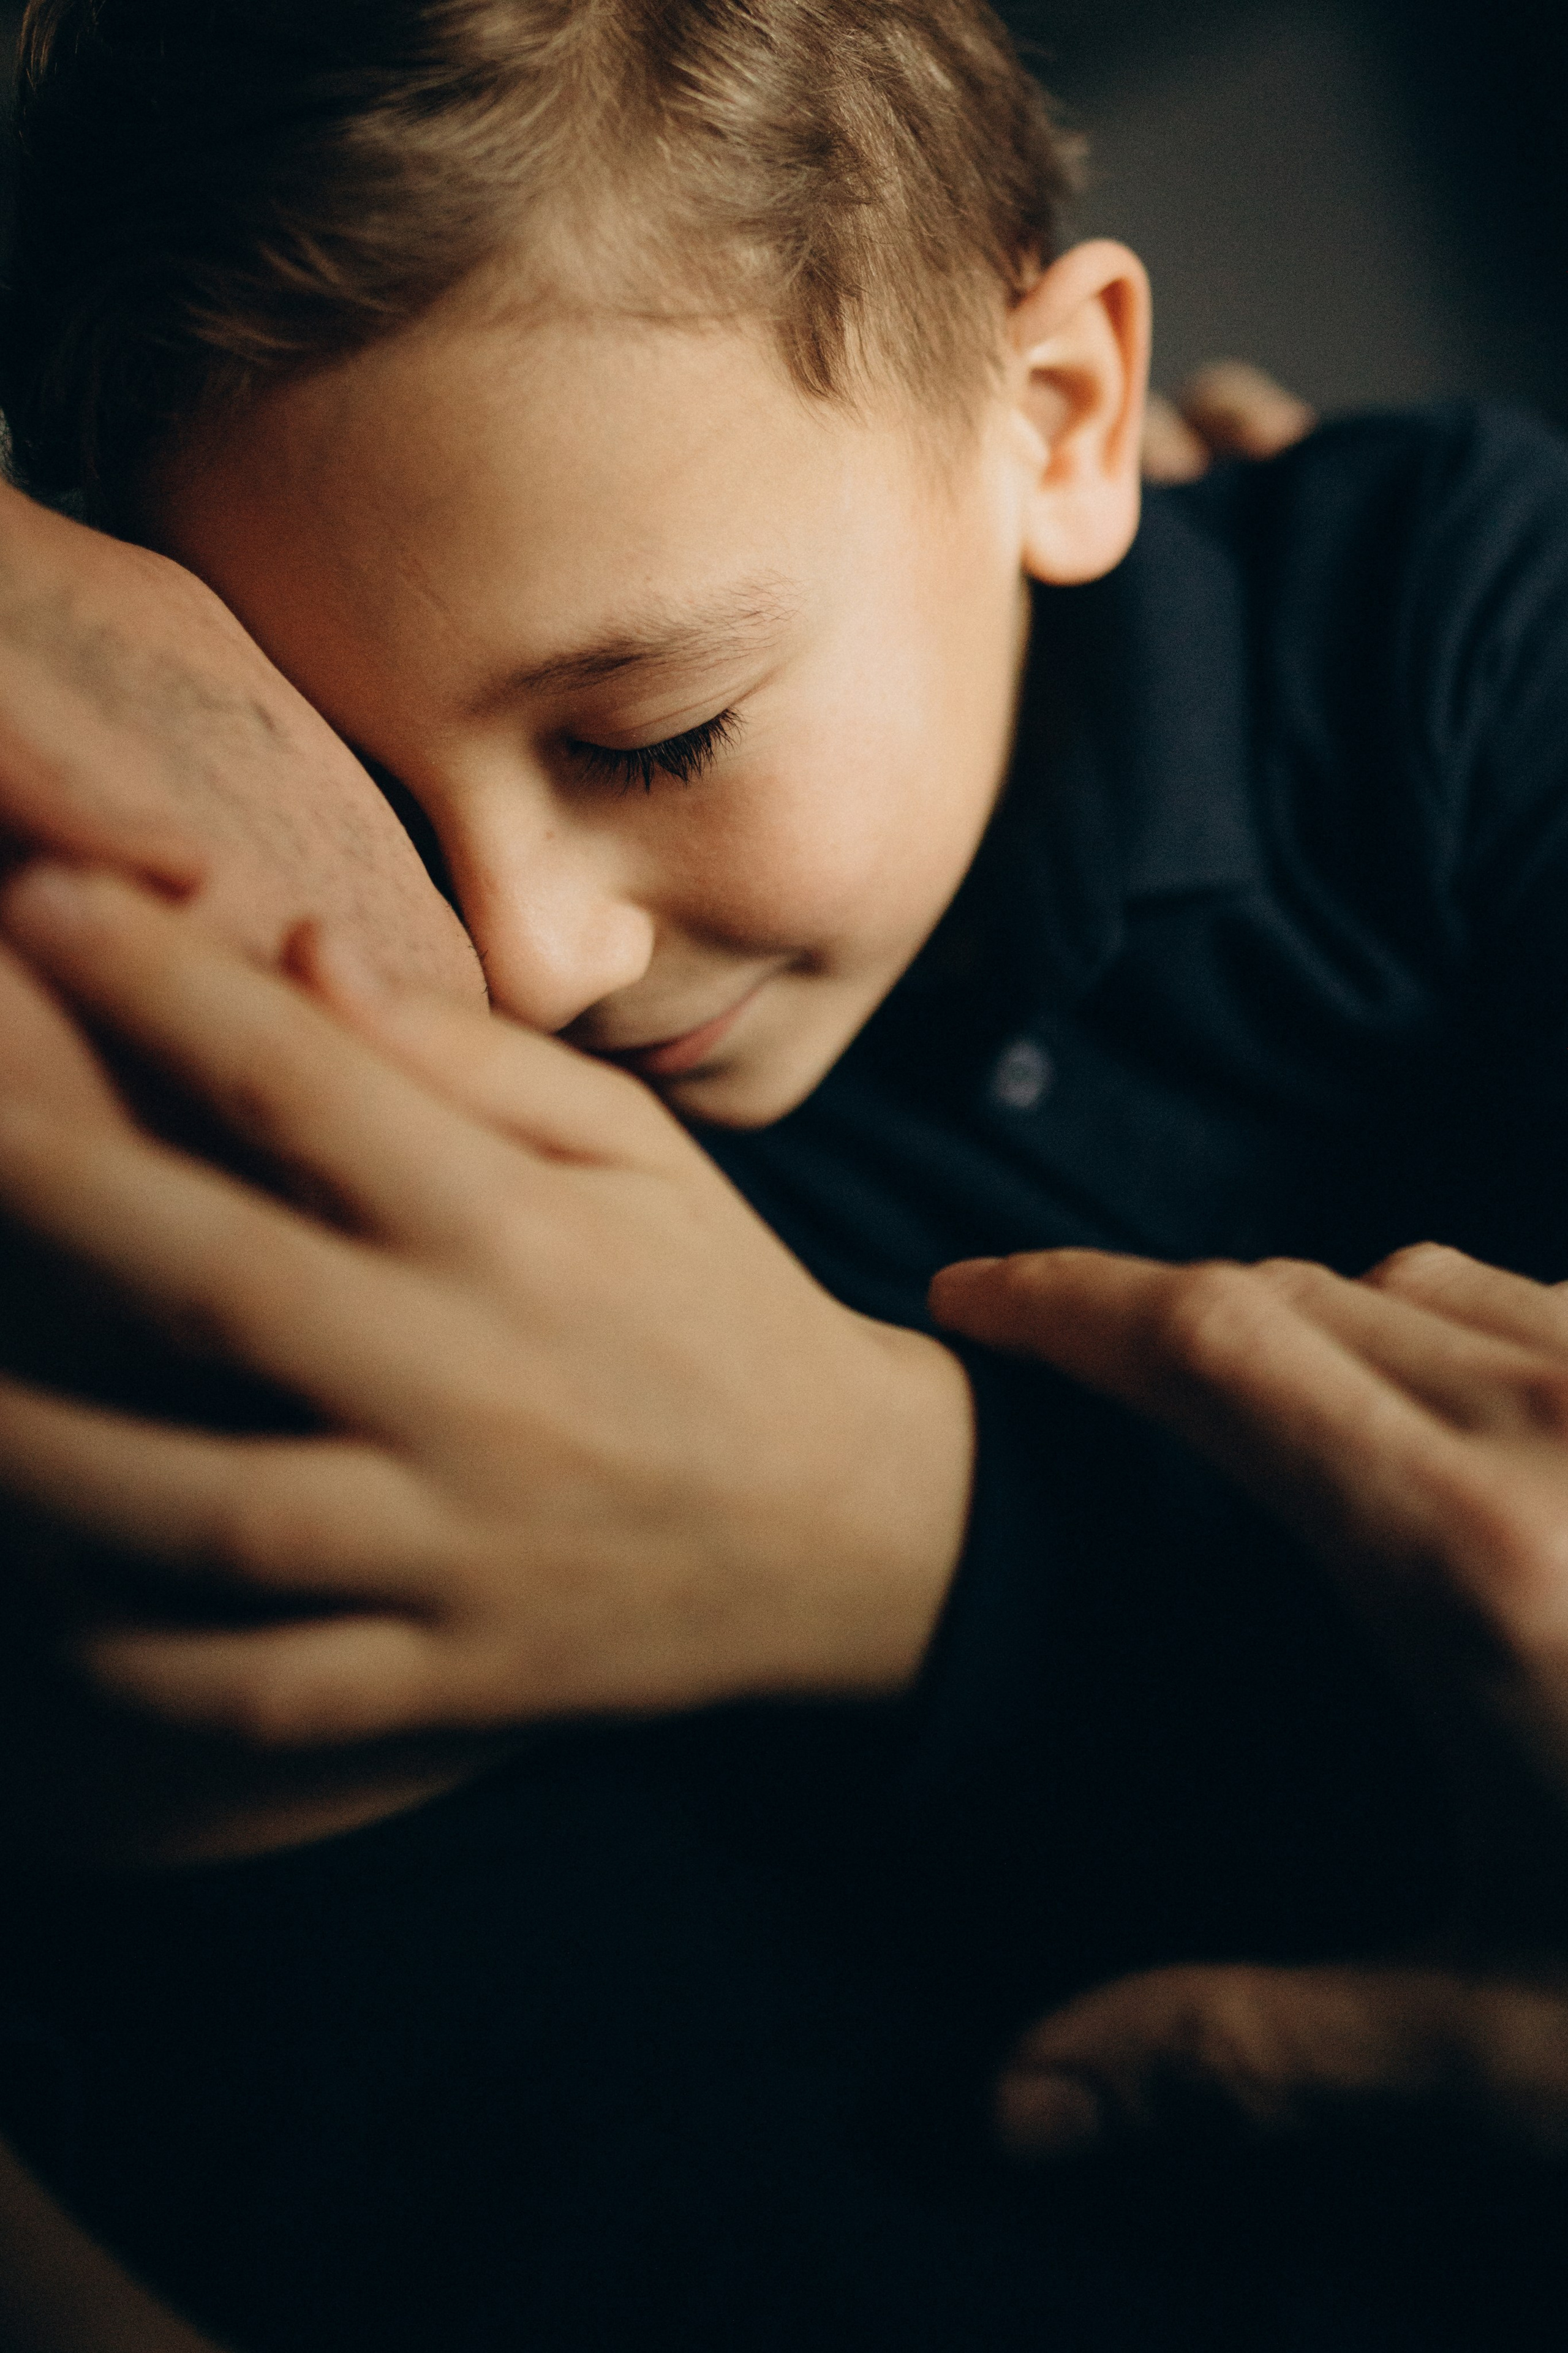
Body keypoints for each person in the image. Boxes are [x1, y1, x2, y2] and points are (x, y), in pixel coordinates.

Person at [2, 0, 1568, 2343]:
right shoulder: (556, 1131)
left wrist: (940, 1541)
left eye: (654, 737)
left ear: (1060, 422)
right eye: (380, 791)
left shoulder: (1456, 631)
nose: (528, 955)